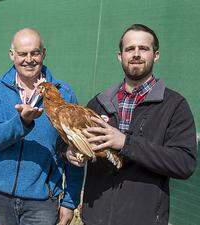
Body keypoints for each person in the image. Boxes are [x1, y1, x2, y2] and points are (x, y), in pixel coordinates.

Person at [66, 24, 197, 225]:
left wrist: (125, 143)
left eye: (143, 48)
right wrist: (71, 151)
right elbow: (72, 139)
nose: (136, 54)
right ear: (120, 56)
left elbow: (184, 163)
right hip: (95, 218)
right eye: (130, 49)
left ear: (156, 55)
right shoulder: (99, 103)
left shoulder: (174, 105)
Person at [0, 28, 84, 225]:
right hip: (1, 195)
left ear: (43, 53)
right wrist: (22, 122)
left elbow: (75, 151)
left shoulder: (64, 94)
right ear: (12, 55)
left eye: (35, 53)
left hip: (43, 200)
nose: (29, 59)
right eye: (22, 54)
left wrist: (70, 202)